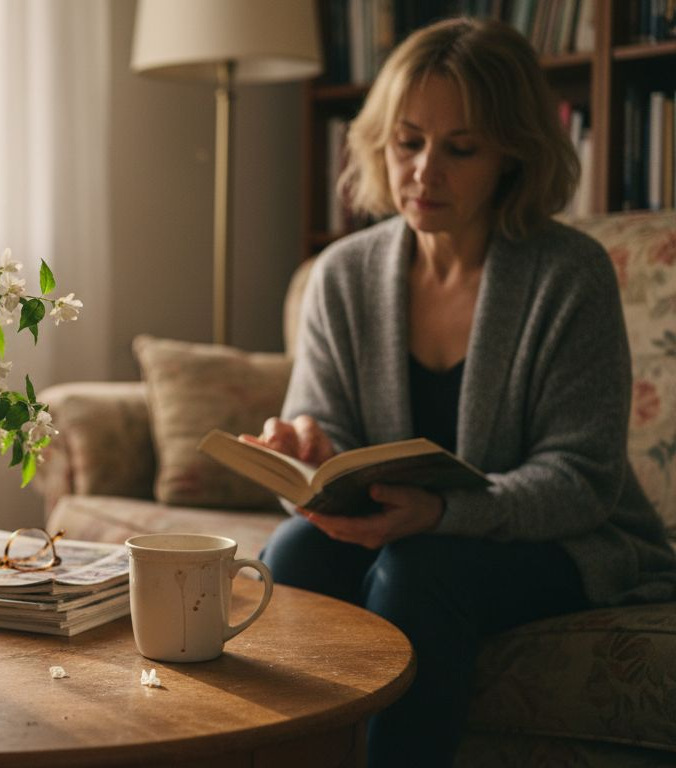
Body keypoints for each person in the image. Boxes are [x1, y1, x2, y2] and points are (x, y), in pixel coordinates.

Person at [250, 16, 676, 768]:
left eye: (461, 148)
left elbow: (580, 481)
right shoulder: (342, 275)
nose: (424, 172)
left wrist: (443, 512)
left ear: (513, 153)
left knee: (420, 569)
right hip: (406, 530)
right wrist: (306, 459)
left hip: (562, 542)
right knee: (294, 551)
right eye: (408, 141)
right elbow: (327, 446)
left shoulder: (568, 274)